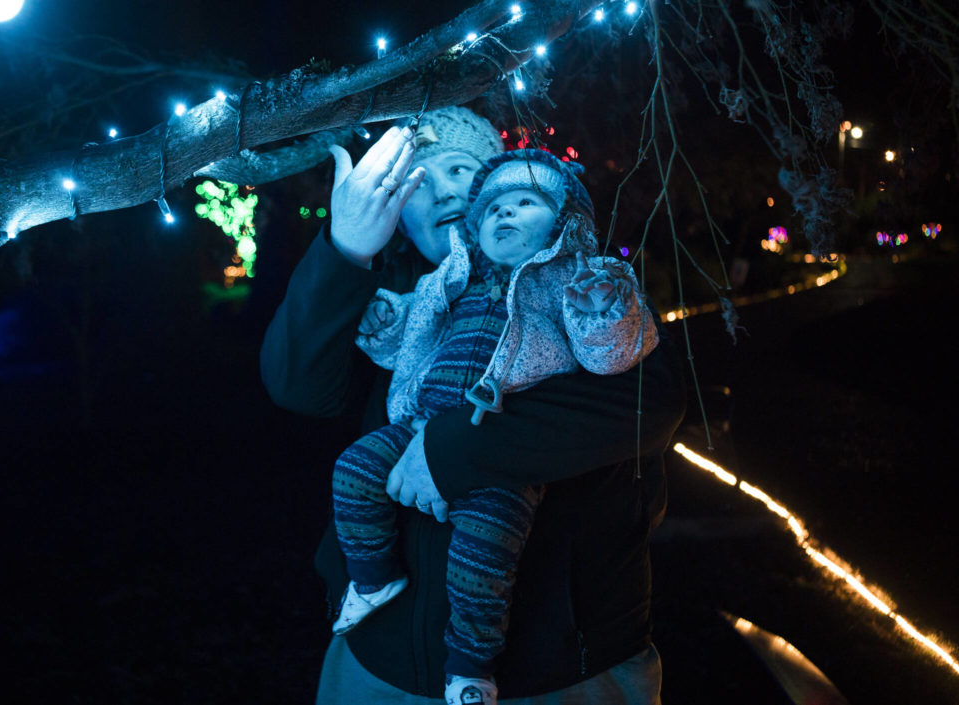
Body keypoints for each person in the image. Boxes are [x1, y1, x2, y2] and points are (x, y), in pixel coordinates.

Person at [260, 106, 686, 704]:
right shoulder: (392, 297)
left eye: (460, 169)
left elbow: (653, 399)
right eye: (416, 182)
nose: (444, 194)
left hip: (562, 673)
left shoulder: (579, 284)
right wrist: (345, 249)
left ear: (499, 177)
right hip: (378, 668)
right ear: (396, 213)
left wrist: (453, 447)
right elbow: (296, 385)